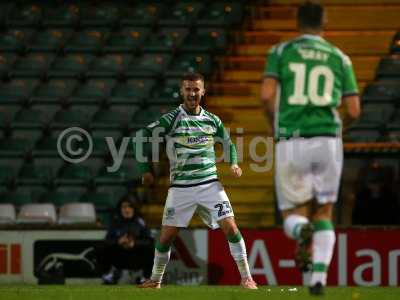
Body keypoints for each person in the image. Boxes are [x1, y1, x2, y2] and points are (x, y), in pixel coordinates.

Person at [261, 1, 360, 295]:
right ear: (324, 21)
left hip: (293, 138)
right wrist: (337, 129)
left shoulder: (280, 52)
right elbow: (354, 110)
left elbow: (267, 96)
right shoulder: (340, 58)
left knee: (295, 214)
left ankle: (301, 232)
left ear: (297, 21)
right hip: (329, 139)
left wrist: (273, 125)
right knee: (325, 212)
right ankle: (317, 278)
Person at [133, 72, 257, 289]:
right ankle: (156, 280)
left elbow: (227, 144)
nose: (192, 93)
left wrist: (234, 163)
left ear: (203, 91)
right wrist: (145, 169)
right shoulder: (171, 119)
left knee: (231, 228)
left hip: (210, 185)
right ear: (182, 91)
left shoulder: (212, 119)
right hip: (180, 188)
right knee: (165, 237)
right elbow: (140, 137)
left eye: (196, 89)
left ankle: (247, 278)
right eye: (188, 89)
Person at [98, 195, 154, 284]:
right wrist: (118, 241)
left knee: (152, 249)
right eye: (124, 207)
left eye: (130, 207)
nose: (127, 210)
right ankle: (108, 275)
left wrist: (134, 243)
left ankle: (146, 277)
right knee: (102, 247)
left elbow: (150, 241)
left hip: (136, 257)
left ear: (134, 208)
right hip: (119, 257)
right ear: (120, 209)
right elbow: (107, 241)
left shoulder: (141, 223)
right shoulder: (115, 223)